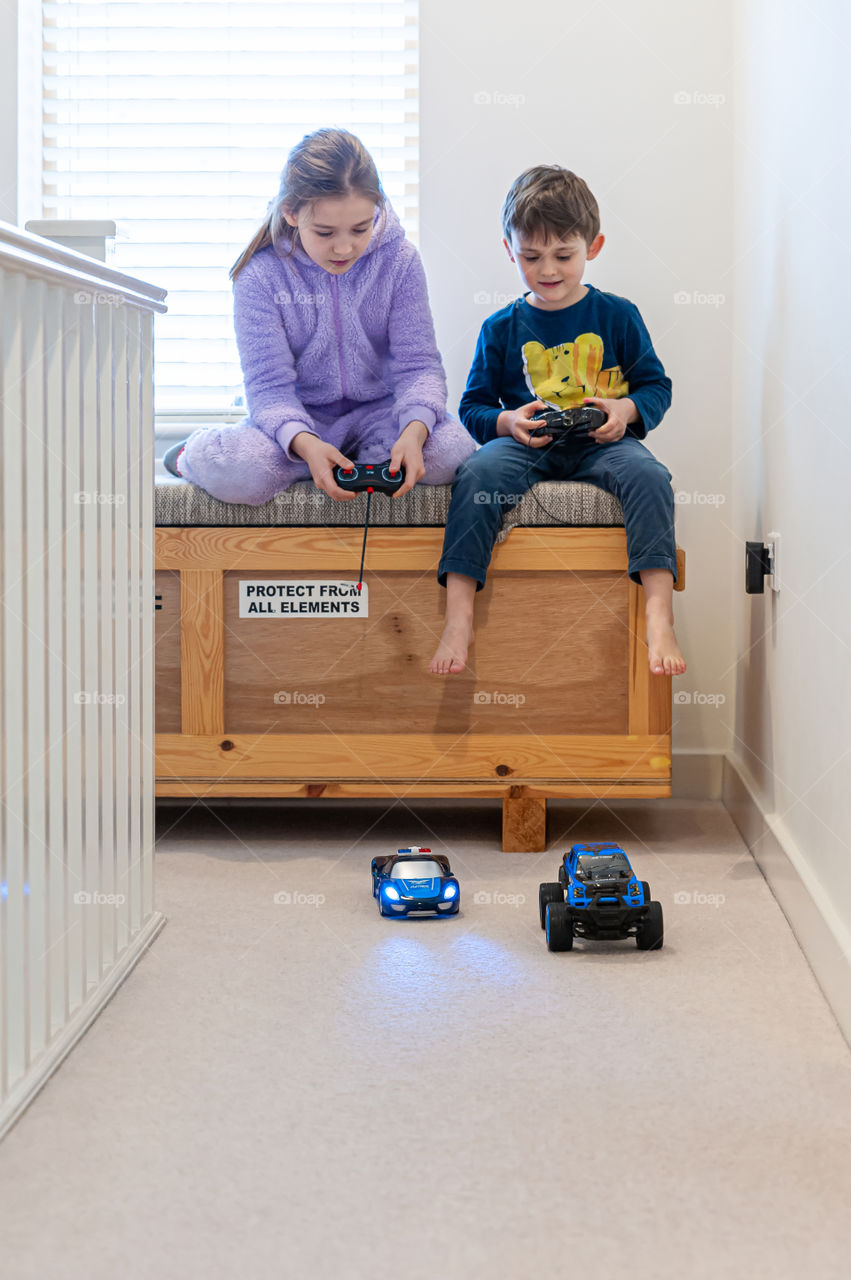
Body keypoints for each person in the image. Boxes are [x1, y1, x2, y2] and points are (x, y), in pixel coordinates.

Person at [429, 165, 686, 678]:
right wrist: (506, 422)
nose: (548, 269)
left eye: (563, 255)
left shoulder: (619, 315)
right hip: (528, 444)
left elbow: (657, 387)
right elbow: (473, 408)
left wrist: (625, 410)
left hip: (602, 443)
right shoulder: (500, 326)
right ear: (509, 250)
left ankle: (659, 613)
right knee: (476, 475)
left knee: (652, 477)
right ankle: (458, 617)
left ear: (593, 246)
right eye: (530, 256)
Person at [165, 128, 476, 504]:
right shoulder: (260, 276)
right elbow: (269, 388)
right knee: (245, 472)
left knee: (450, 454)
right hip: (301, 421)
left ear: (377, 209)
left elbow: (419, 366)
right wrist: (305, 443)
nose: (345, 247)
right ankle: (190, 454)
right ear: (292, 213)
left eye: (360, 229)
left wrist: (414, 431)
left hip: (382, 415)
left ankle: (364, 457)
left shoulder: (400, 261)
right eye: (325, 232)